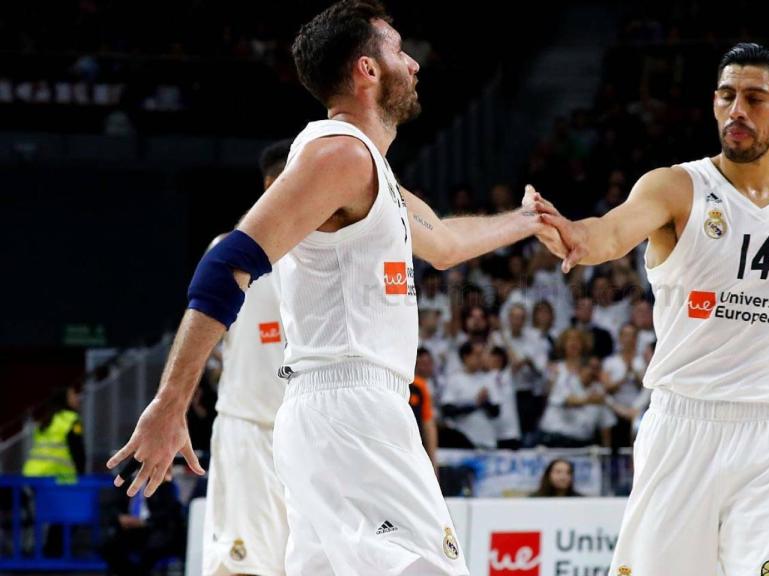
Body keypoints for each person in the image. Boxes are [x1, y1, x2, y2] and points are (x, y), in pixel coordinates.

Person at [107, 2, 555, 573]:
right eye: (399, 50)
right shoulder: (338, 152)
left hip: (336, 414)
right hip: (349, 410)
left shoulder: (370, 171)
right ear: (367, 70)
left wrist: (525, 222)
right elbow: (226, 265)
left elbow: (443, 242)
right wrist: (171, 404)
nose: (414, 64)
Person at [535, 43, 769, 573]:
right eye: (726, 96)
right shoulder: (676, 187)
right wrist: (576, 236)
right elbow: (611, 232)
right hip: (683, 426)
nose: (737, 110)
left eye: (755, 98)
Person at [201, 140, 290, 576]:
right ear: (273, 184)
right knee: (242, 566)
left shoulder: (330, 254)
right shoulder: (231, 250)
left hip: (311, 439)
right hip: (250, 430)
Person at [23, 387, 84, 483]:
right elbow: (78, 451)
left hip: (32, 473)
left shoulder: (46, 419)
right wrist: (81, 477)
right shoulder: (71, 419)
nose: (76, 398)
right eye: (72, 395)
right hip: (56, 477)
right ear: (64, 399)